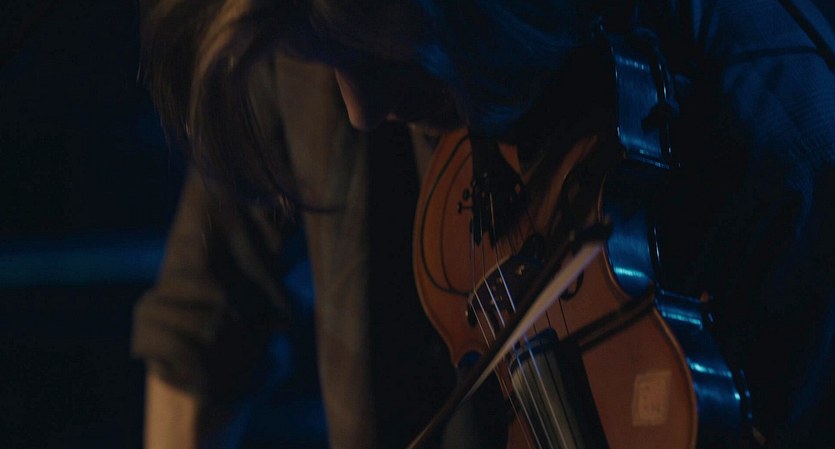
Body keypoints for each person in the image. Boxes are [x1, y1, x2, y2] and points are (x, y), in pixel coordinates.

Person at [133, 0, 835, 447]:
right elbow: (202, 333)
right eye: (324, 64)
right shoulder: (303, 24)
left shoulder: (778, 134)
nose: (359, 111)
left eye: (384, 62)